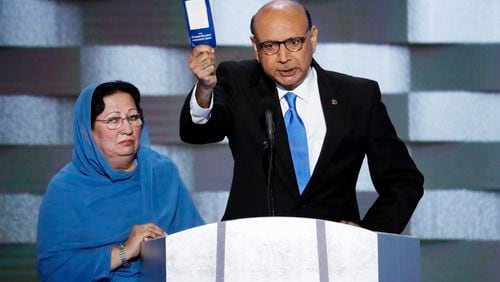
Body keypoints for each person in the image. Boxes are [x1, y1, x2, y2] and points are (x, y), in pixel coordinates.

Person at [180, 0, 423, 234]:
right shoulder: (238, 81)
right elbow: (198, 132)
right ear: (256, 47)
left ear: (313, 38)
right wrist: (204, 89)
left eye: (294, 42)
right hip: (252, 253)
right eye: (270, 46)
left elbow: (403, 181)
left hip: (333, 257)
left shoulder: (357, 97)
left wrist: (368, 236)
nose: (283, 57)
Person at [37, 81, 204, 281]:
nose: (127, 128)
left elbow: (198, 244)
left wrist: (169, 249)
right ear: (87, 131)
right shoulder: (65, 189)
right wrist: (124, 251)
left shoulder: (161, 171)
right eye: (113, 120)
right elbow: (54, 270)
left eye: (133, 117)